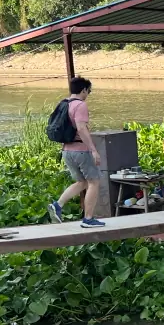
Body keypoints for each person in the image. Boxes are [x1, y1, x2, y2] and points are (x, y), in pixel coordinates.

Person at [48, 77, 105, 228]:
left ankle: (58, 205)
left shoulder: (63, 103)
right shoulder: (80, 105)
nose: (88, 94)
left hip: (67, 150)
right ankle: (88, 219)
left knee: (82, 182)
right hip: (81, 150)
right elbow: (81, 128)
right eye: (89, 91)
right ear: (84, 90)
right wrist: (93, 150)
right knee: (94, 182)